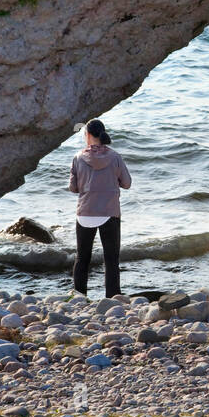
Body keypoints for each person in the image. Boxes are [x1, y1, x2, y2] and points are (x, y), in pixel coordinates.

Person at [68, 119, 132, 298]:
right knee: (111, 259)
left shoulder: (78, 157)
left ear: (87, 135)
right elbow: (127, 184)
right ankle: (112, 297)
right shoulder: (115, 157)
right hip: (109, 213)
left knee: (82, 258)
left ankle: (79, 295)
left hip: (85, 214)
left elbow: (73, 188)